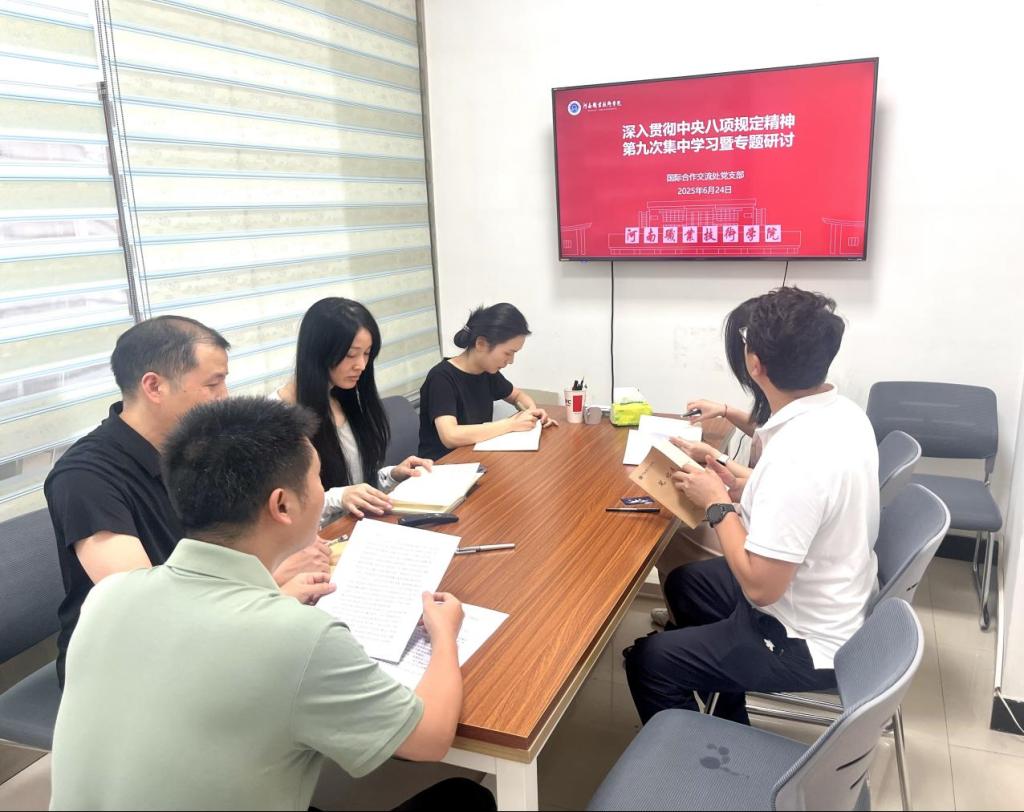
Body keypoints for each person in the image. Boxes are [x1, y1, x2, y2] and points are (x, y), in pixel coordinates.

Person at [50, 397, 495, 811]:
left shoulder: (107, 596)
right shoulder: (299, 636)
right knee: (465, 798)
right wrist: (444, 635)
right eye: (318, 478)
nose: (323, 490)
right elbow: (430, 740)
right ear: (282, 505)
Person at [624, 287, 880, 726]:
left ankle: (701, 759)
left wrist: (716, 502)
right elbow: (795, 502)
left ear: (755, 363)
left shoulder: (798, 457)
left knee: (650, 661)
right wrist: (724, 473)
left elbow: (761, 588)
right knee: (688, 585)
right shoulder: (843, 414)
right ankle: (725, 705)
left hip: (803, 640)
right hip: (833, 596)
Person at [44, 316, 331, 688]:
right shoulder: (85, 477)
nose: (224, 396)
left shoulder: (198, 449)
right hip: (124, 664)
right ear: (154, 386)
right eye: (213, 384)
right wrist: (268, 587)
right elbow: (145, 608)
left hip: (214, 622)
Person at [650, 297, 769, 626]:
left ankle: (684, 618)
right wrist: (726, 411)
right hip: (761, 521)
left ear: (754, 359)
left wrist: (715, 461)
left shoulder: (800, 432)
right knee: (684, 516)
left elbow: (767, 479)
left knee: (669, 535)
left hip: (767, 562)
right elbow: (764, 433)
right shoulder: (815, 407)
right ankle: (684, 611)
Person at [276, 298, 433, 520]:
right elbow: (283, 514)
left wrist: (393, 475)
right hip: (318, 538)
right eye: (351, 354)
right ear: (319, 351)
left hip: (358, 525)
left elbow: (355, 483)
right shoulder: (276, 420)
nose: (361, 365)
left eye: (367, 353)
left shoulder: (342, 398)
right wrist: (338, 497)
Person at [418, 303, 556, 460]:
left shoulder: (486, 371)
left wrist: (531, 413)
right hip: (442, 464)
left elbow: (517, 396)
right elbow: (450, 436)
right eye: (508, 353)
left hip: (474, 457)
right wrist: (510, 424)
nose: (511, 361)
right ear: (481, 344)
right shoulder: (441, 378)